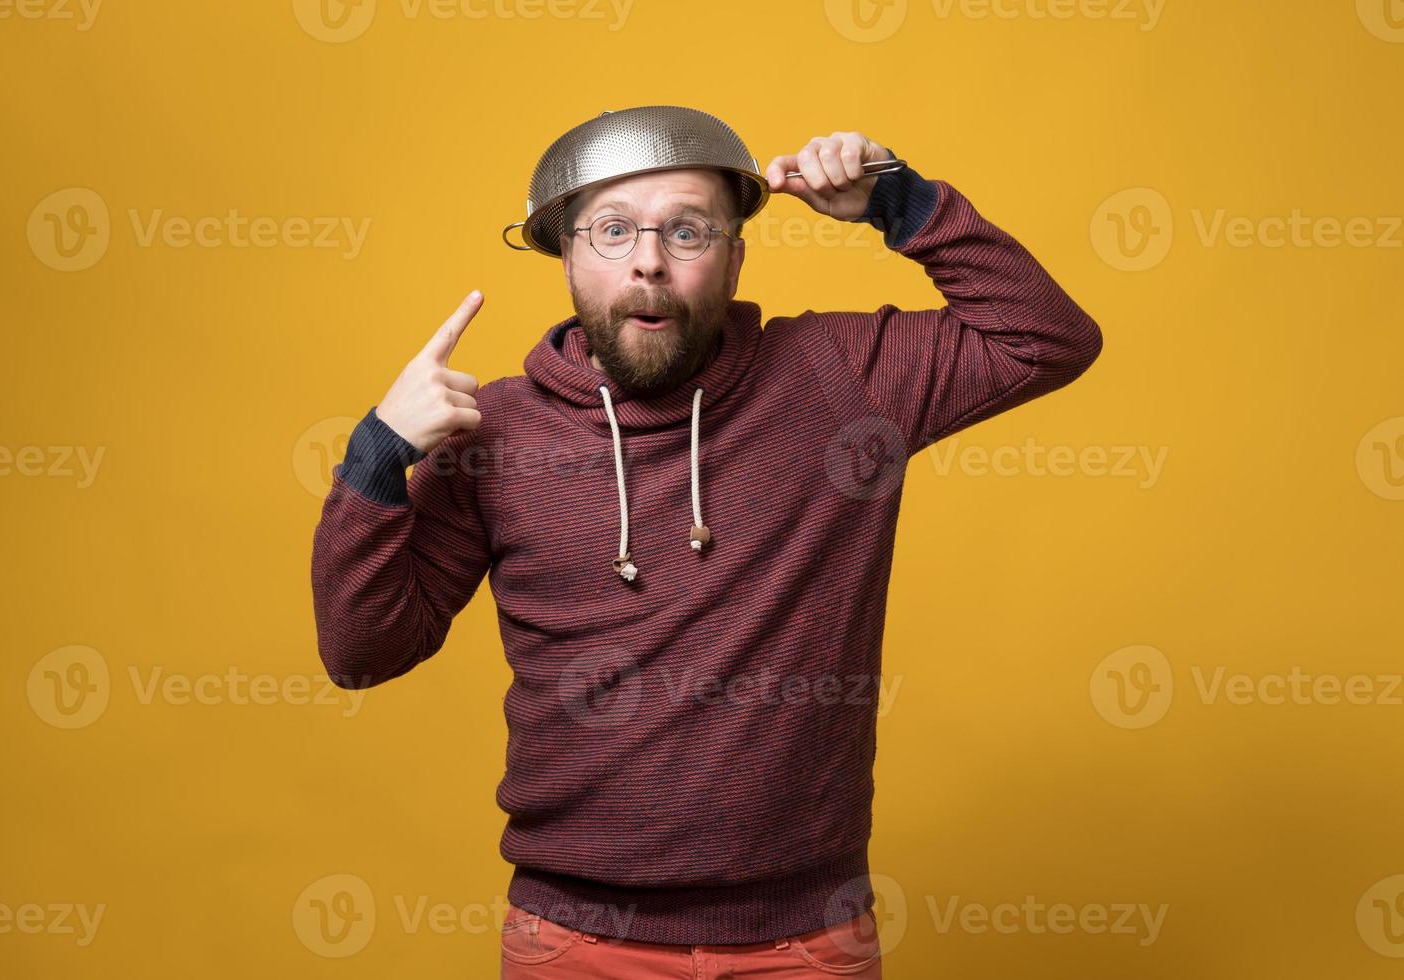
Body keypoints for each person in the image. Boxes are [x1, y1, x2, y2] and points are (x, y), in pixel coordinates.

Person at [310, 108, 1103, 978]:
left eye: (686, 230)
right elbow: (363, 653)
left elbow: (1048, 339)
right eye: (613, 231)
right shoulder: (494, 433)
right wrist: (378, 455)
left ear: (734, 254)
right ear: (565, 254)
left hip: (806, 939)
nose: (648, 259)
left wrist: (899, 203)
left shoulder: (843, 378)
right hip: (574, 944)